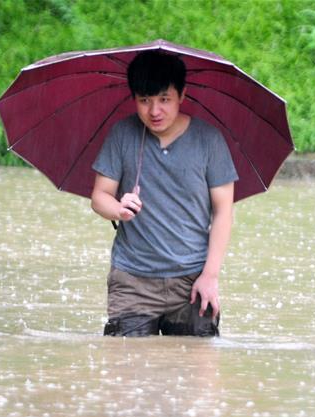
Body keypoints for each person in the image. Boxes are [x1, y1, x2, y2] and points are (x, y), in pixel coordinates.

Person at [91, 50, 238, 337]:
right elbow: (99, 197)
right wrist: (118, 208)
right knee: (125, 368)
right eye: (144, 101)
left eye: (164, 99)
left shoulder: (209, 141)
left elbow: (223, 212)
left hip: (192, 281)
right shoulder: (122, 134)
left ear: (182, 95)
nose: (154, 111)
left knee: (195, 371)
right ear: (134, 98)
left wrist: (210, 276)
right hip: (132, 280)